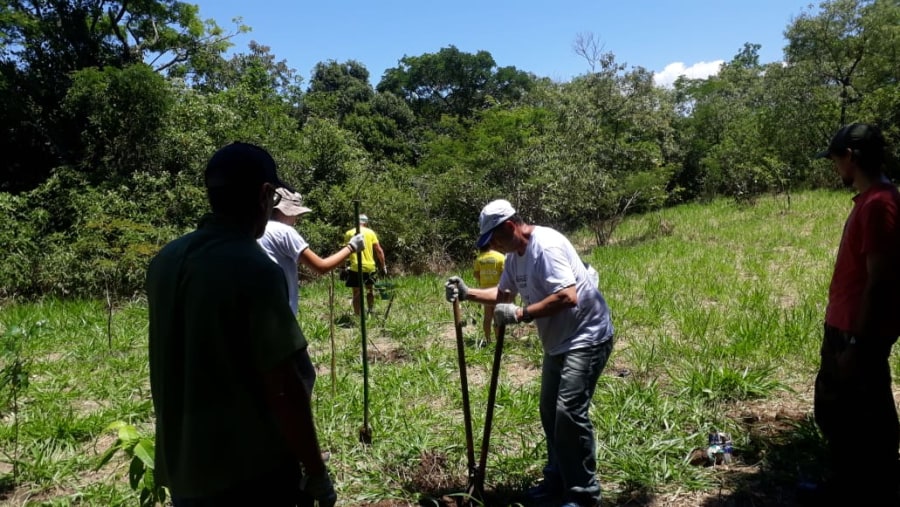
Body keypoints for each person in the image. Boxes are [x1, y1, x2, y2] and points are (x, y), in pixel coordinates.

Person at [146, 142, 336, 507]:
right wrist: (315, 471)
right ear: (265, 194)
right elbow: (285, 386)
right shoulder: (253, 267)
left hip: (185, 468)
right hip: (249, 473)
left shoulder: (165, 261)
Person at [445, 199, 614, 507]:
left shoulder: (545, 247)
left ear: (510, 227)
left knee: (569, 413)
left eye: (494, 238)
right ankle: (556, 481)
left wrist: (522, 314)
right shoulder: (513, 256)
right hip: (558, 342)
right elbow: (503, 295)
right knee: (551, 413)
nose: (493, 245)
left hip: (587, 336)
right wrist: (467, 293)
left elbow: (567, 295)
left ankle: (583, 494)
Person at [808, 123, 900, 505]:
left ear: (851, 157)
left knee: (855, 415)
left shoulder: (880, 204)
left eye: (835, 159)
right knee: (844, 409)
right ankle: (856, 482)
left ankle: (863, 488)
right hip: (848, 326)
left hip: (855, 331)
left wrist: (858, 343)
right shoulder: (871, 200)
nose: (834, 167)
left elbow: (880, 281)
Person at [258, 187, 365, 392]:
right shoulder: (284, 232)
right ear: (284, 211)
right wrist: (351, 247)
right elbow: (321, 267)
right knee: (304, 377)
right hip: (282, 322)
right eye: (294, 215)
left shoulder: (253, 230)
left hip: (258, 318)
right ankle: (294, 423)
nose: (296, 220)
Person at [343, 214, 386, 316]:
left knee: (356, 293)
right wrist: (383, 265)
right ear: (366, 222)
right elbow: (379, 250)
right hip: (370, 267)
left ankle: (357, 316)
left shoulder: (349, 233)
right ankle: (370, 310)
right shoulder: (371, 232)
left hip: (355, 267)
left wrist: (343, 265)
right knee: (369, 290)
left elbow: (346, 252)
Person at [473, 244, 505, 343]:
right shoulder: (500, 257)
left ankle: (488, 340)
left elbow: (476, 274)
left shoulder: (479, 258)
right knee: (497, 317)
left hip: (485, 291)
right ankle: (498, 340)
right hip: (497, 291)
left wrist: (482, 282)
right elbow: (505, 274)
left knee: (487, 317)